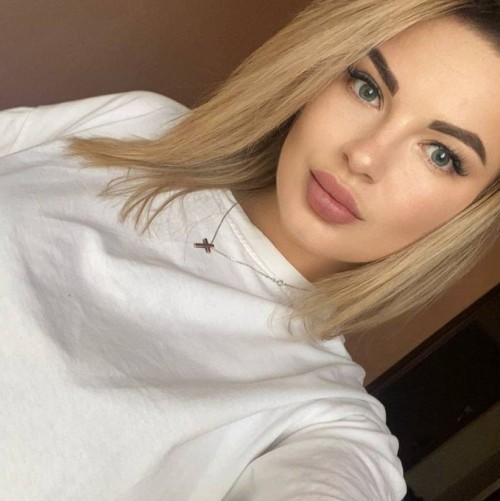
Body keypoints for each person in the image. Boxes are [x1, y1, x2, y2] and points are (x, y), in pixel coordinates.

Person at [1, 0, 498, 499]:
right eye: (367, 88)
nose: (364, 156)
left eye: (441, 155)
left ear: (471, 212)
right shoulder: (139, 126)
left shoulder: (321, 422)